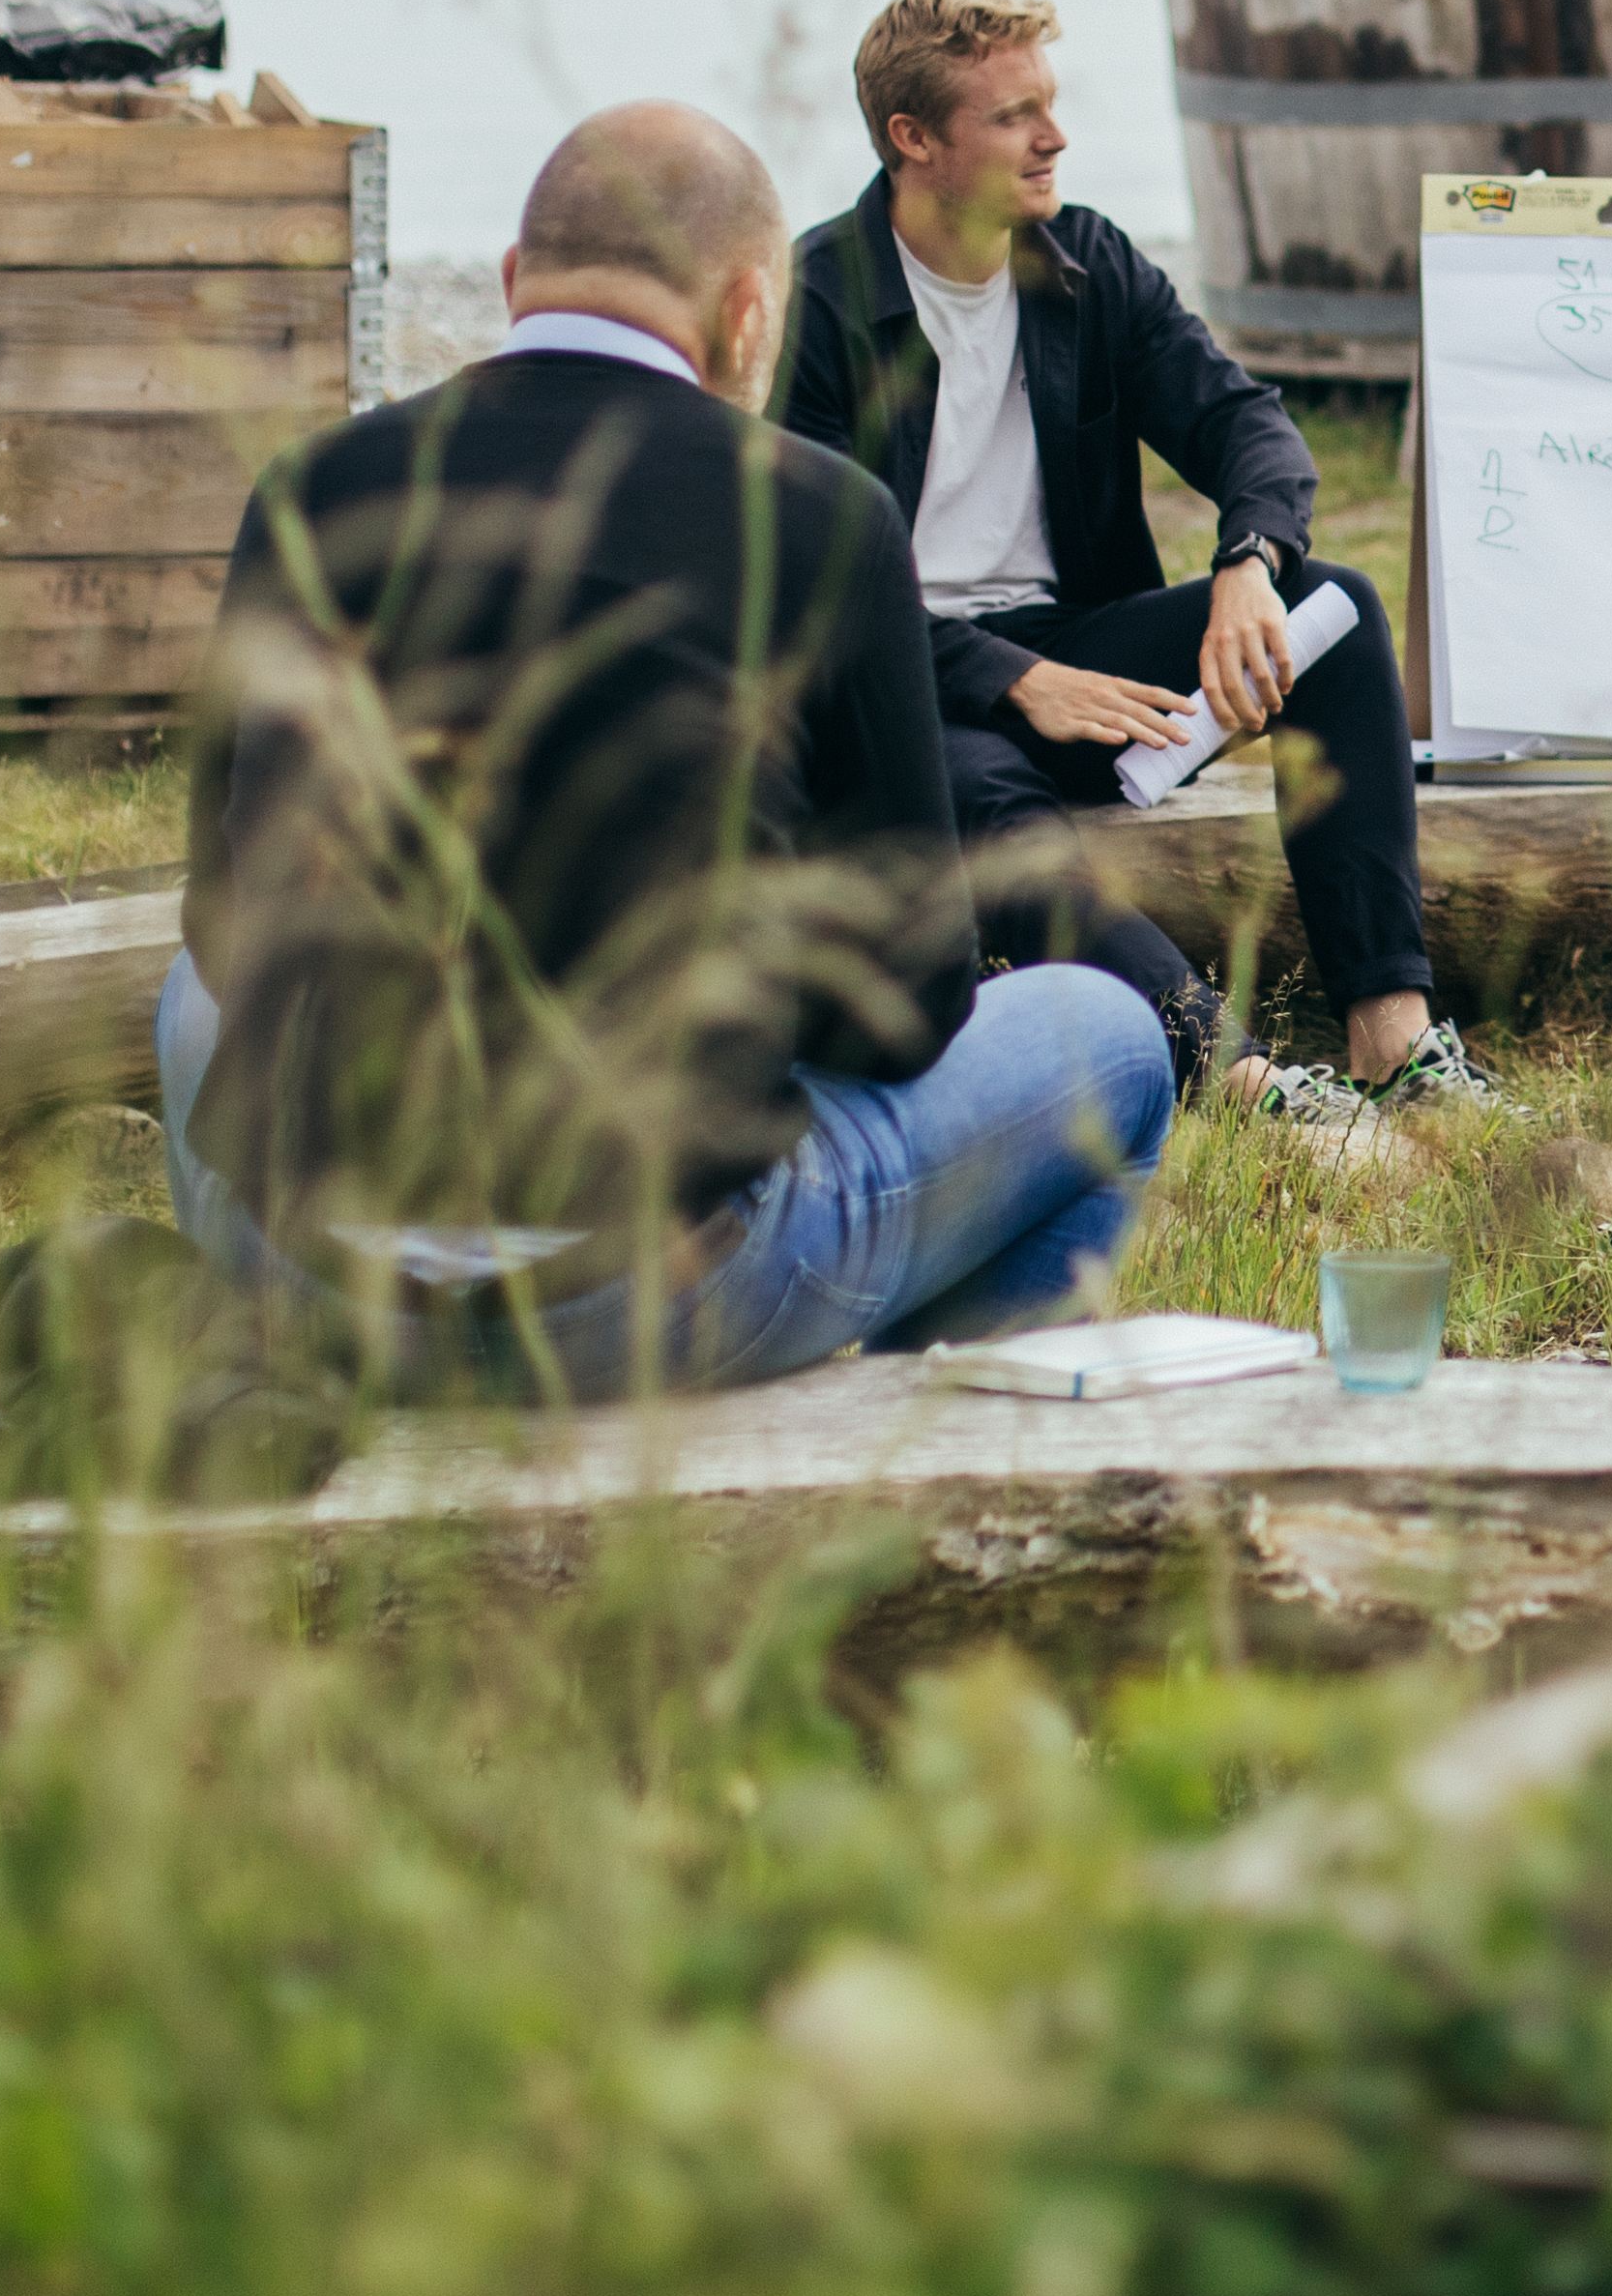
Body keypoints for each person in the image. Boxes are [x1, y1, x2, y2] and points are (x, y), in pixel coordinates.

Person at [161, 101, 1173, 1394]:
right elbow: (908, 1005)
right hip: (651, 1291)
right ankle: (925, 1448)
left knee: (187, 997)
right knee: (1116, 1036)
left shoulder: (311, 490)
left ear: (517, 282)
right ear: (751, 313)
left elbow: (219, 919)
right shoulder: (820, 519)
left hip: (313, 1273)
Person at [776, 0, 1480, 1122]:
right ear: (913, 138)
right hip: (905, 691)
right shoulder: (817, 305)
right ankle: (1248, 1086)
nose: (1054, 137)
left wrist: (1248, 561)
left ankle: (1393, 1042)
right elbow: (810, 592)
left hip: (1087, 656)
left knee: (1335, 611)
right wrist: (1014, 681)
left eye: (1050, 105)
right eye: (1013, 116)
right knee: (1000, 816)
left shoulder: (1087, 265)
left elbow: (1246, 422)